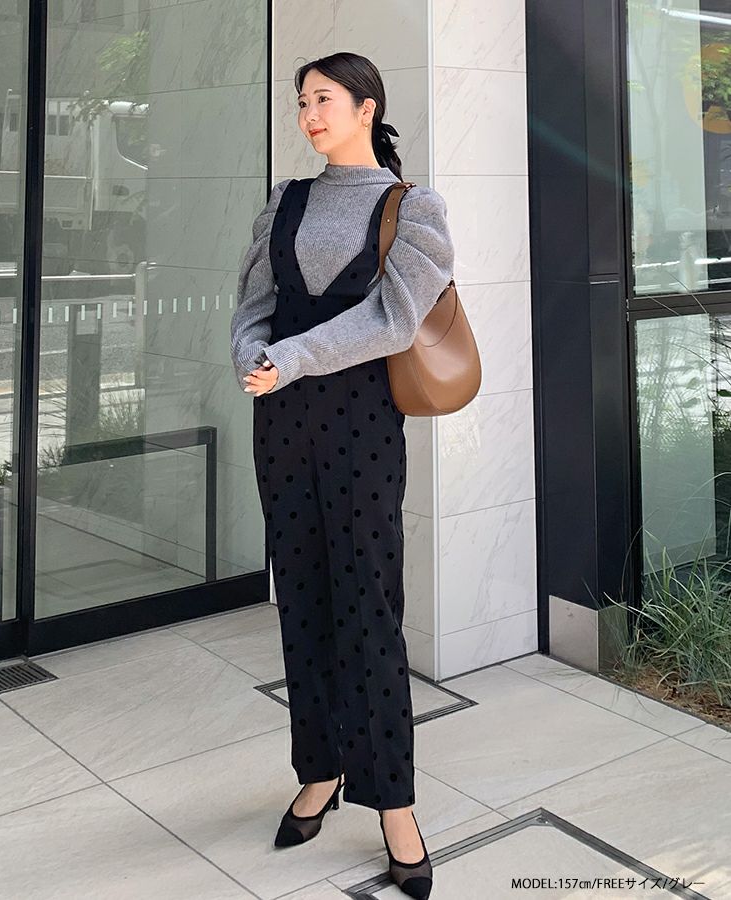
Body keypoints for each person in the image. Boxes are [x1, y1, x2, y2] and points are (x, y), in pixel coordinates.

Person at [229, 51, 454, 900]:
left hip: (362, 426)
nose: (309, 115)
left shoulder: (412, 208)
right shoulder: (286, 201)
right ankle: (318, 771)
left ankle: (394, 801)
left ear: (367, 108)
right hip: (282, 423)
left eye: (323, 99)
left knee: (370, 609)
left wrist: (291, 357)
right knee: (303, 601)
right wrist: (253, 355)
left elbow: (394, 319)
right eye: (301, 102)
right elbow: (253, 304)